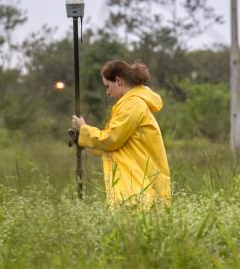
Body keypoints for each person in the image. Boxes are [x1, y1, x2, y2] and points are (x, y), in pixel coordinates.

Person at [71, 60, 171, 206]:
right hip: (136, 176)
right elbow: (121, 145)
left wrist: (84, 129)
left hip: (136, 182)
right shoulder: (131, 103)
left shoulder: (133, 104)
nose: (107, 92)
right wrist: (83, 139)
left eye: (107, 86)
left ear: (118, 81)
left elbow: (112, 139)